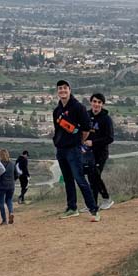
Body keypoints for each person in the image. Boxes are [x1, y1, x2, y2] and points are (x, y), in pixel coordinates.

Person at [52, 80, 99, 221]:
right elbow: (57, 130)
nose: (62, 91)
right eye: (60, 88)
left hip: (73, 149)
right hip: (61, 149)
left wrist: (79, 141)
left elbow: (86, 129)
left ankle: (94, 210)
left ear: (70, 90)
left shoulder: (78, 107)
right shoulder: (57, 111)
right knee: (68, 180)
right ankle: (72, 208)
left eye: (65, 88)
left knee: (80, 179)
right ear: (57, 92)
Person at [85, 93, 115, 209]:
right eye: (94, 101)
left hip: (101, 153)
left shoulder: (106, 119)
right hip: (87, 152)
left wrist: (94, 142)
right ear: (91, 102)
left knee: (95, 175)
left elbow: (110, 138)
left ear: (102, 104)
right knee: (91, 178)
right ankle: (92, 205)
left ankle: (107, 198)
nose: (96, 104)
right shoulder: (86, 116)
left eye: (99, 102)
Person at [0, 148, 18, 225]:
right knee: (9, 200)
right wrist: (12, 181)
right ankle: (11, 212)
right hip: (11, 185)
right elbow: (17, 175)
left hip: (2, 185)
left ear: (0, 155)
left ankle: (4, 220)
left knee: (1, 203)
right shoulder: (12, 164)